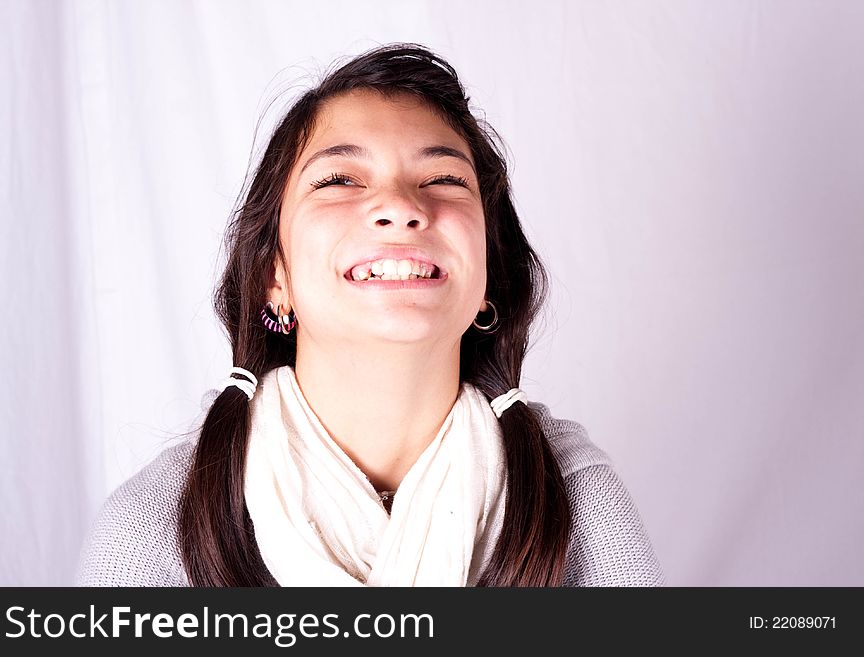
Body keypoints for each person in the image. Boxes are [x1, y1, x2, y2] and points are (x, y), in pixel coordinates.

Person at [77, 43, 664, 587]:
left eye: (442, 178)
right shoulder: (153, 532)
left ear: (489, 276)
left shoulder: (580, 509)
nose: (401, 208)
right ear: (270, 278)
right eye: (338, 180)